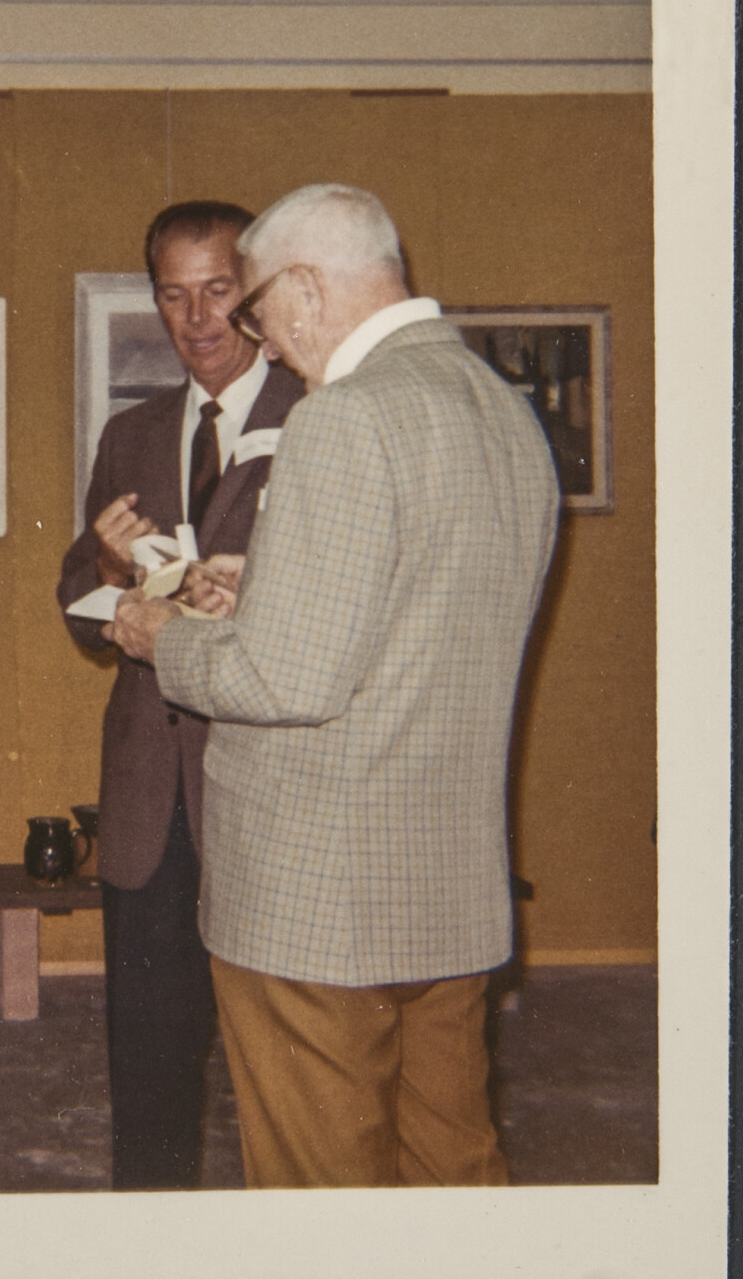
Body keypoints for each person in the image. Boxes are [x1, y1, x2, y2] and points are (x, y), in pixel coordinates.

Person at [112, 183, 558, 1188]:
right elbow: (416, 626)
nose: (265, 348)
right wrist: (260, 588)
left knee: (324, 1197)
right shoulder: (501, 412)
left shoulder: (340, 419)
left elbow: (285, 678)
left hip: (314, 907)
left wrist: (157, 637)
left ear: (306, 288)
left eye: (260, 315)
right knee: (449, 1172)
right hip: (442, 894)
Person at [58, 201, 304, 1190]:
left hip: (264, 789)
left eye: (215, 290)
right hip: (148, 794)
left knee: (283, 1070)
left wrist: (250, 593)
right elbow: (78, 610)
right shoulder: (132, 434)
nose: (196, 317)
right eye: (172, 292)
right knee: (149, 1065)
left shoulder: (317, 413)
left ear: (250, 293)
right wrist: (107, 564)